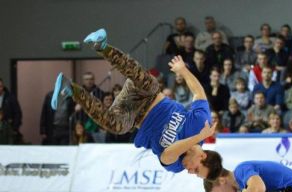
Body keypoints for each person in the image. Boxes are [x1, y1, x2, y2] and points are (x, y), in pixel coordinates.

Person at [51, 28, 221, 179]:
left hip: (131, 115)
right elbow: (199, 93)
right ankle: (102, 46)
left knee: (117, 126)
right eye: (197, 170)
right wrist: (183, 70)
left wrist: (199, 138)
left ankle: (70, 89)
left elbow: (169, 152)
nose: (190, 172)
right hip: (148, 95)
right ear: (203, 157)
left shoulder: (176, 166)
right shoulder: (201, 123)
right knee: (149, 83)